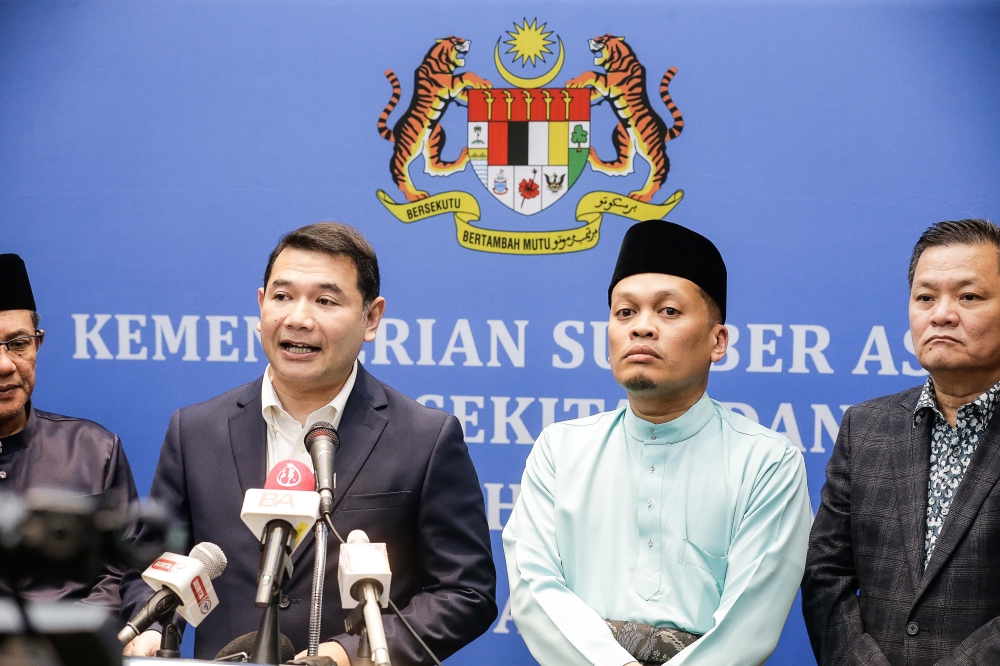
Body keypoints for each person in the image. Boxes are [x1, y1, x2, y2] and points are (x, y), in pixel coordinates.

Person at [120, 223, 497, 663]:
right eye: (282, 297)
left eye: (325, 300)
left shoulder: (424, 437)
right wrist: (145, 630)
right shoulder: (196, 430)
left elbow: (465, 592)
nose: (298, 318)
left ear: (371, 318)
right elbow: (144, 571)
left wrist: (349, 654)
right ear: (261, 306)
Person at [502, 220, 813, 666]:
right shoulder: (560, 450)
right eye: (625, 312)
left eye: (668, 311)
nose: (641, 328)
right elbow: (535, 589)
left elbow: (748, 625)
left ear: (717, 340)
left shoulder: (765, 461)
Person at [804, 218, 1000, 665]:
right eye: (925, 297)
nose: (942, 313)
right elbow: (826, 575)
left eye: (969, 297)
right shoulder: (865, 426)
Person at [0, 253, 139, 610]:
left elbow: (120, 574)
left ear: (38, 344)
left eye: (18, 344)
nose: (5, 365)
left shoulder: (94, 450)